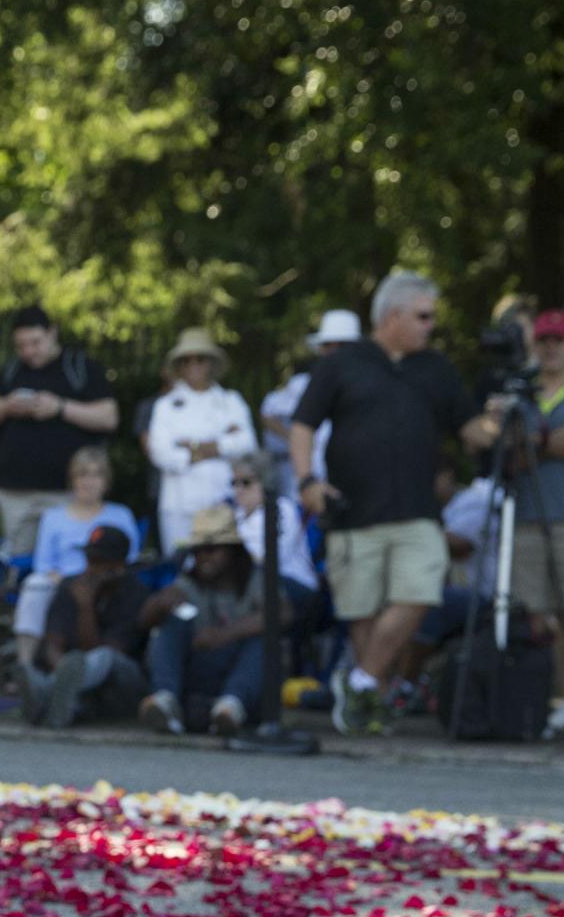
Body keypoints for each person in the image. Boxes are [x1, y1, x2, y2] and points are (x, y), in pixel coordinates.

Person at [291, 271, 495, 736]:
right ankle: (369, 702)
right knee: (362, 612)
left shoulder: (437, 368)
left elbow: (470, 430)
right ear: (393, 316)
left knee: (420, 591)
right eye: (423, 316)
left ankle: (360, 680)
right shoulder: (343, 364)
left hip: (418, 513)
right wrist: (307, 480)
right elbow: (303, 425)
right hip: (353, 511)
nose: (430, 325)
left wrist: (502, 422)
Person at [476, 310, 564, 735]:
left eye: (560, 340)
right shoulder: (518, 391)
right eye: (544, 340)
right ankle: (542, 697)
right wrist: (550, 440)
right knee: (531, 615)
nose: (551, 348)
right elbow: (496, 442)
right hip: (526, 518)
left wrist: (536, 440)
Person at [0, 305, 120, 558]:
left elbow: (109, 418)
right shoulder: (11, 371)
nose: (28, 351)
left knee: (69, 558)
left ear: (53, 333)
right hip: (17, 493)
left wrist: (60, 408)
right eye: (21, 345)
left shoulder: (80, 368)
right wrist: (7, 406)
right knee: (18, 562)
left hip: (66, 493)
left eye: (35, 342)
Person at [137, 504, 265, 737]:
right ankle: (165, 700)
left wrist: (223, 635)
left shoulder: (254, 577)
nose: (203, 557)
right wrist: (158, 604)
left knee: (263, 640)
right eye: (197, 551)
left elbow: (282, 614)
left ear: (232, 550)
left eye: (212, 549)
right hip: (199, 672)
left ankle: (231, 707)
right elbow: (143, 622)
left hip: (242, 675)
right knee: (172, 621)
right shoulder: (189, 581)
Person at [14, 444, 139, 662]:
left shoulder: (121, 515)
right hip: (62, 582)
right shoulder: (53, 517)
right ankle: (26, 665)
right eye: (82, 474)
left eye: (96, 474)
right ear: (72, 480)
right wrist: (69, 583)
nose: (88, 481)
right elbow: (43, 565)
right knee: (35, 585)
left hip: (109, 583)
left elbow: (131, 559)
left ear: (106, 481)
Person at [25, 527, 150, 729]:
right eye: (88, 559)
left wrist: (85, 606)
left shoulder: (136, 594)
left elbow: (103, 656)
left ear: (119, 565)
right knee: (66, 678)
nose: (90, 568)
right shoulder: (71, 585)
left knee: (105, 656)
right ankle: (60, 705)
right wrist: (63, 671)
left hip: (121, 685)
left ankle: (43, 694)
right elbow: (53, 642)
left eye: (98, 562)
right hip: (82, 689)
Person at [144, 326, 254, 548]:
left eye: (200, 359)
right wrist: (221, 444)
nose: (194, 365)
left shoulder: (231, 400)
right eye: (186, 360)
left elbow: (247, 444)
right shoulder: (165, 405)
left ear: (211, 363)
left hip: (224, 499)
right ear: (179, 366)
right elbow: (160, 453)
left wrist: (190, 446)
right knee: (180, 569)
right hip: (180, 505)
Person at [259, 310, 362, 501]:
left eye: (342, 345)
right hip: (310, 487)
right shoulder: (302, 384)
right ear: (321, 349)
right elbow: (267, 414)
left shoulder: (368, 385)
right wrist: (297, 437)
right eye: (328, 345)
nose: (335, 351)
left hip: (353, 486)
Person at [228, 449, 319, 621]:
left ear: (264, 482)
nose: (238, 489)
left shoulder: (282, 509)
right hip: (248, 582)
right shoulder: (235, 515)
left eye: (246, 482)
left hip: (291, 582)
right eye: (234, 483)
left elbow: (271, 558)